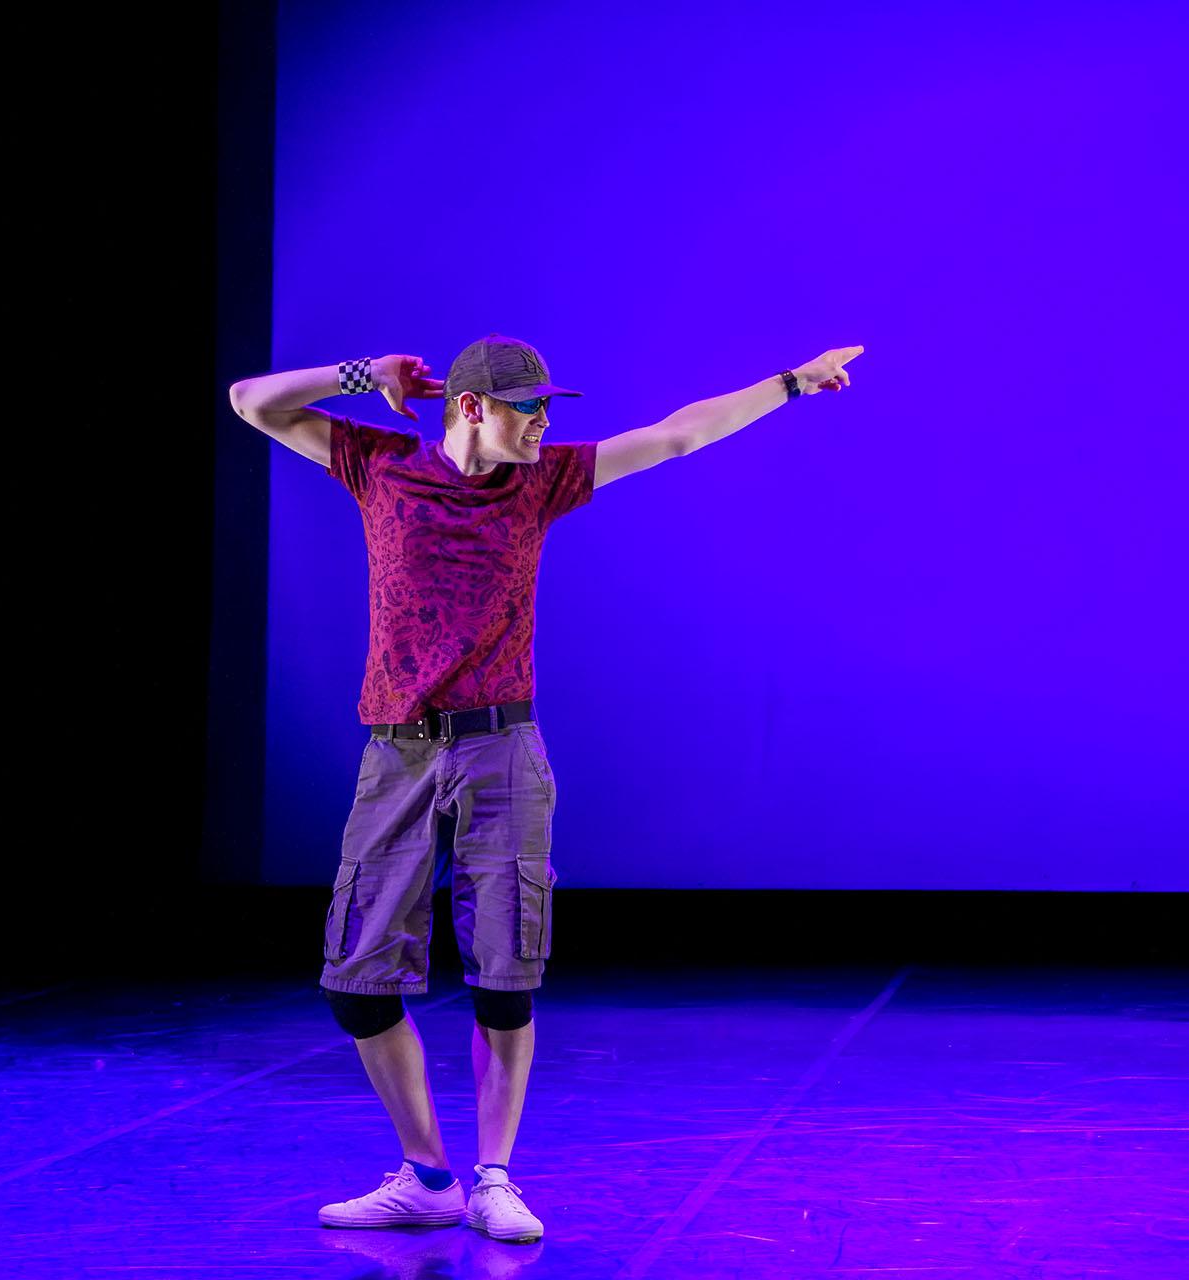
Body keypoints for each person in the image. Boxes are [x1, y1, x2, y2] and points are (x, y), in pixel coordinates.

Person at [228, 334, 863, 1241]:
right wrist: (369, 377)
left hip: (502, 749)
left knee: (503, 973)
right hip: (398, 755)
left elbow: (679, 435)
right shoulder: (381, 468)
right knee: (358, 982)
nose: (544, 424)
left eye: (547, 409)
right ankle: (425, 1175)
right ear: (474, 408)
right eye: (529, 408)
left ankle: (494, 1176)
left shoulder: (542, 481)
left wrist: (794, 383)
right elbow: (252, 397)